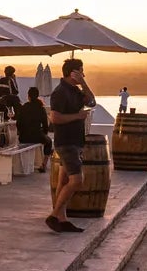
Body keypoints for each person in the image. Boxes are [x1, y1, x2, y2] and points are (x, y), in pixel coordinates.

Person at [46, 58, 94, 234]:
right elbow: (55, 118)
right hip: (66, 142)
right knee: (77, 180)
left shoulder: (75, 90)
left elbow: (92, 102)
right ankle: (54, 215)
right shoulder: (59, 93)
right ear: (72, 72)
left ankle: (62, 219)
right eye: (81, 71)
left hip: (76, 140)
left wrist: (83, 83)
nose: (84, 73)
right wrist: (77, 116)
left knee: (64, 180)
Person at [16, 87, 51, 173]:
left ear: (28, 96)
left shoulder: (24, 107)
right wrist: (44, 134)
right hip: (36, 136)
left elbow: (18, 123)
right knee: (49, 142)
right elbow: (46, 126)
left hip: (24, 137)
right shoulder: (41, 108)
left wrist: (20, 133)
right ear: (37, 96)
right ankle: (44, 165)